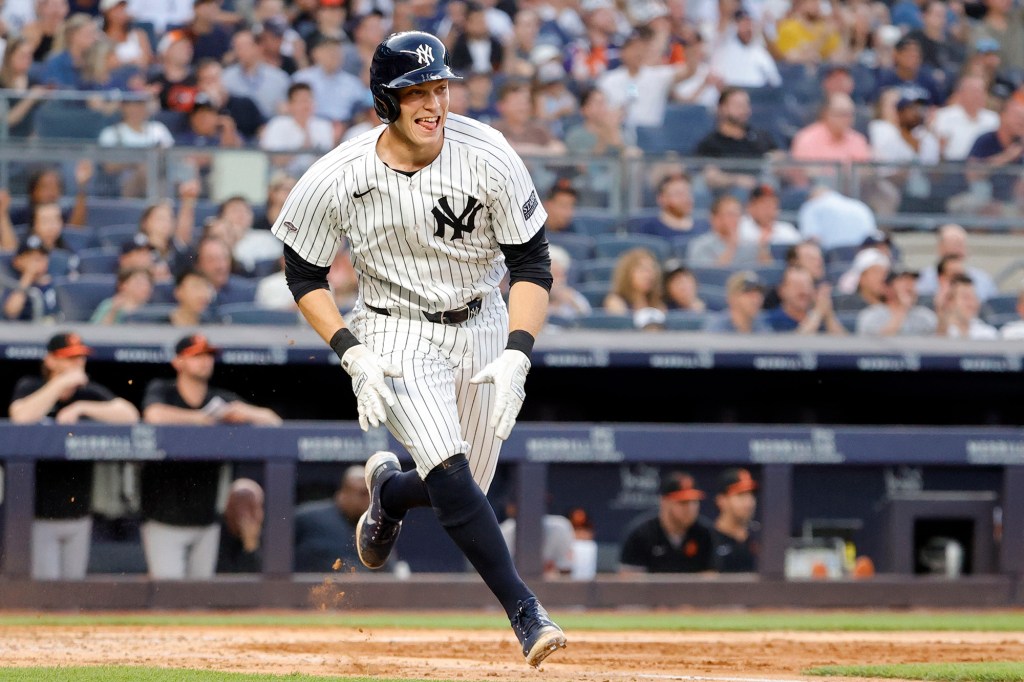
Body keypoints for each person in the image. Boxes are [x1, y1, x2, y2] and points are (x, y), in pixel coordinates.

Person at [271, 31, 565, 667]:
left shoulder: (488, 151)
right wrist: (349, 349)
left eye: (441, 89)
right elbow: (303, 273)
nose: (435, 105)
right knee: (450, 468)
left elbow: (533, 265)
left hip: (483, 319)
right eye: (417, 93)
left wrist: (518, 350)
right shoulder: (339, 174)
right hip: (393, 328)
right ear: (386, 100)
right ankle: (523, 609)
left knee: (460, 490)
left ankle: (389, 494)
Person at [140, 334, 282, 580]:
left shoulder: (220, 398)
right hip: (163, 517)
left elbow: (273, 420)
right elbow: (153, 415)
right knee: (169, 597)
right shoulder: (163, 389)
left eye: (208, 355)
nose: (205, 361)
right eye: (196, 356)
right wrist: (202, 419)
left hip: (207, 518)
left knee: (200, 600)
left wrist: (242, 412)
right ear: (178, 362)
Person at [9, 332, 140, 580]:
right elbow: (21, 416)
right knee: (44, 589)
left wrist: (81, 407)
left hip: (79, 509)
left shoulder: (89, 393)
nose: (77, 364)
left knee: (73, 588)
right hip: (36, 512)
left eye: (80, 358)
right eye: (69, 358)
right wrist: (59, 384)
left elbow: (130, 415)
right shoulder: (31, 385)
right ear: (50, 361)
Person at [619, 471, 715, 574]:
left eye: (694, 502)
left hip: (694, 590)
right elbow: (629, 582)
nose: (690, 508)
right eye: (683, 502)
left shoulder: (705, 533)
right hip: (651, 590)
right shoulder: (641, 534)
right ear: (664, 502)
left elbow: (711, 580)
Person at [293, 465, 376, 573]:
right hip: (316, 587)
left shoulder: (374, 527)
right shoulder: (309, 517)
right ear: (344, 493)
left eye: (372, 495)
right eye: (363, 494)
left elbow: (389, 570)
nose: (368, 501)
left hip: (361, 588)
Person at [916, 224, 999, 303]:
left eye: (959, 245)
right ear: (939, 248)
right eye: (950, 244)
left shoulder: (983, 280)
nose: (954, 250)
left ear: (966, 250)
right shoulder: (922, 279)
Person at [856, 266, 938, 336]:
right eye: (903, 281)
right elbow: (878, 346)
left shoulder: (926, 316)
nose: (910, 285)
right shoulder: (871, 316)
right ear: (888, 288)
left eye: (912, 281)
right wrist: (902, 309)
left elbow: (940, 344)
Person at [766, 265, 847, 334]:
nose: (804, 291)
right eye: (796, 286)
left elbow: (846, 347)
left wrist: (829, 316)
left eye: (808, 286)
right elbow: (793, 348)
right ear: (782, 291)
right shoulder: (770, 321)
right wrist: (817, 313)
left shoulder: (823, 319)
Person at [687, 194, 763, 269]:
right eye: (730, 214)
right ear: (715, 218)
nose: (735, 219)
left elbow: (766, 271)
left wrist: (763, 247)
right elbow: (710, 275)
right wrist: (731, 247)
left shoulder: (749, 244)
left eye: (738, 214)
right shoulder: (700, 245)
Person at [631, 173, 709, 242]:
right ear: (661, 199)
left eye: (688, 193)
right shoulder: (648, 230)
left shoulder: (704, 228)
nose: (685, 199)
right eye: (678, 194)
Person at [711, 468, 759, 572]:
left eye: (751, 494)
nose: (749, 502)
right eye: (741, 495)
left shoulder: (761, 538)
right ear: (721, 500)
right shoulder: (707, 540)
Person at [2, 235, 58, 322]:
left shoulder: (54, 281)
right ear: (17, 261)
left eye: (43, 256)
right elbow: (11, 312)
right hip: (27, 332)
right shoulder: (12, 284)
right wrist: (28, 276)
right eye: (32, 258)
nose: (39, 261)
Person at [217, 478, 265, 574]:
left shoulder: (271, 536)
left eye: (250, 508)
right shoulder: (215, 534)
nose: (243, 515)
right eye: (237, 507)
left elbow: (261, 584)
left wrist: (250, 544)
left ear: (261, 512)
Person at [603, 247, 666, 315]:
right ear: (627, 274)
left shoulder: (657, 303)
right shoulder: (615, 301)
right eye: (643, 270)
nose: (649, 276)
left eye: (651, 270)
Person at [936, 274, 999, 340]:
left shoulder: (987, 334)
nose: (971, 303)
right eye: (965, 297)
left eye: (974, 297)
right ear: (950, 302)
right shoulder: (938, 331)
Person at [705, 270, 771, 333]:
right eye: (749, 293)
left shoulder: (761, 326)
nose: (756, 299)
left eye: (759, 294)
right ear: (732, 298)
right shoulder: (717, 328)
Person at [90, 266, 154, 324]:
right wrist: (113, 312)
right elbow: (97, 331)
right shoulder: (109, 305)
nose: (145, 287)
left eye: (148, 283)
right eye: (139, 283)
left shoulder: (153, 309)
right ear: (123, 285)